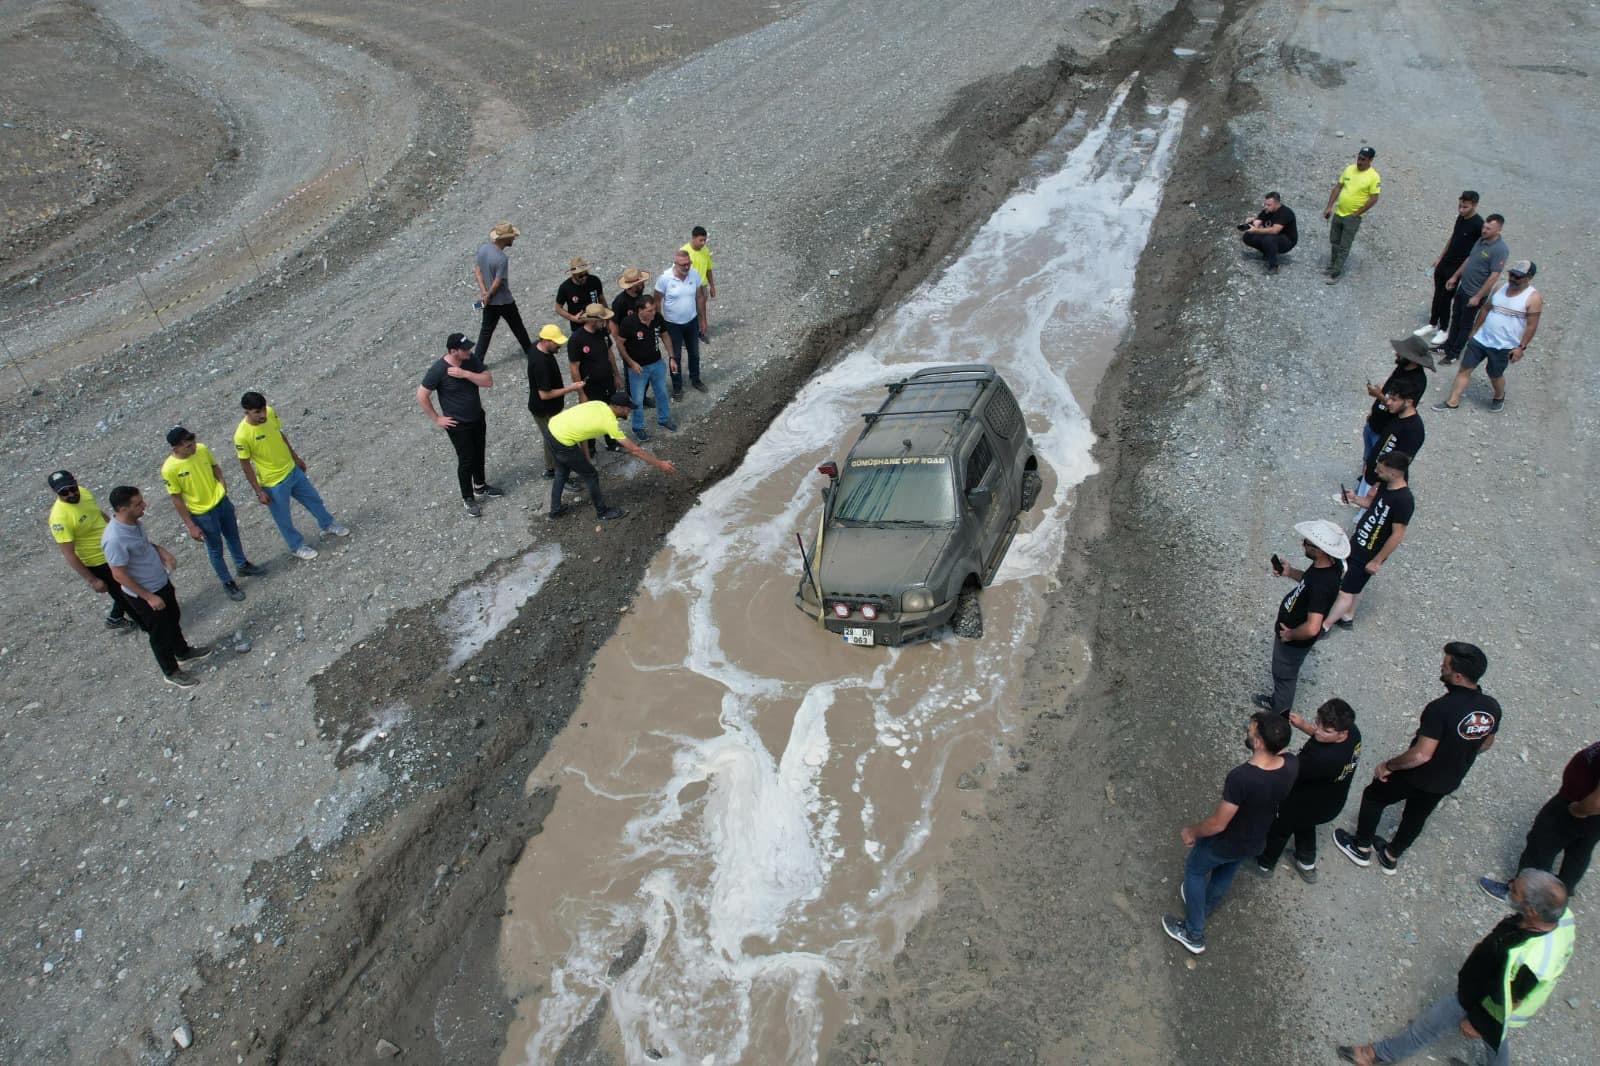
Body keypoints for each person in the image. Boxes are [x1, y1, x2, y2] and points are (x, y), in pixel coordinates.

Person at [1337, 870, 1574, 1066]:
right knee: (1496, 1042)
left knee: (1431, 1025)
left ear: (1532, 910)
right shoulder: (1560, 916)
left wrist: (1478, 1021)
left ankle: (1376, 1054)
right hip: (1490, 988)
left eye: (1515, 891)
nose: (1509, 886)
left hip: (1486, 999)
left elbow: (1509, 1000)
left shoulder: (1533, 961)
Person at [1335, 642, 1500, 874]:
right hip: (1450, 778)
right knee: (1418, 815)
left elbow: (1422, 754)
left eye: (1445, 666)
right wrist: (1460, 752)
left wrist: (1388, 765)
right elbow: (1486, 742)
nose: (1441, 667)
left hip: (1419, 775)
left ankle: (1361, 847)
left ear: (1458, 675)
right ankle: (1391, 855)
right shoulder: (1491, 707)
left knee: (1374, 796)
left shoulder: (1440, 708)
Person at [1161, 712, 1298, 954]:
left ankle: (1193, 933)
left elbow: (1218, 823)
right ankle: (1205, 906)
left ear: (1258, 743)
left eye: (1251, 731)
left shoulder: (1242, 778)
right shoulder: (1291, 764)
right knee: (1226, 872)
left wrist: (1192, 831)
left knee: (1194, 871)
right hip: (1254, 840)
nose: (1247, 731)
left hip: (1225, 841)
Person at [101, 485, 212, 688]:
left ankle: (183, 651)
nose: (144, 506)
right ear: (123, 509)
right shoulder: (114, 539)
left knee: (173, 618)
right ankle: (170, 671)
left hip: (160, 582)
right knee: (159, 632)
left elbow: (143, 545)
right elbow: (118, 574)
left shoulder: (134, 523)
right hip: (145, 594)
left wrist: (160, 550)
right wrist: (148, 597)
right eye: (138, 504)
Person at [1254, 698, 1361, 883]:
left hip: (1302, 802)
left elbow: (1289, 769)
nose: (1318, 731)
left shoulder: (1321, 760)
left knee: (1280, 829)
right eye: (1317, 722)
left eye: (1325, 730)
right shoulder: (1353, 734)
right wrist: (1303, 725)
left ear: (1342, 733)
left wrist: (1274, 749)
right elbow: (1322, 734)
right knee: (1305, 824)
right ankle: (1306, 862)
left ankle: (1265, 864)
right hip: (1330, 802)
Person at [234, 391, 349, 559]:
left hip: (292, 470)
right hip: (273, 483)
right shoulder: (242, 436)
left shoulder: (270, 413)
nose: (263, 414)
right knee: (284, 518)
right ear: (247, 412)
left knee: (314, 499)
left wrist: (296, 457)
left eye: (263, 409)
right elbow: (245, 466)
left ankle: (328, 524)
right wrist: (259, 491)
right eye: (257, 412)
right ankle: (296, 546)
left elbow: (280, 435)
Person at [1479, 741, 1600, 897]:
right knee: (1581, 848)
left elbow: (1597, 803)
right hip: (1593, 819)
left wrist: (1577, 809)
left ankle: (1522, 895)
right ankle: (1564, 887)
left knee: (1542, 845)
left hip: (1580, 808)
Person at [1253, 519, 1348, 718]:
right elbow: (1309, 582)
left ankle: (1278, 714)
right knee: (1283, 673)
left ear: (1321, 550)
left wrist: (1290, 635)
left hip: (1293, 640)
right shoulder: (1326, 567)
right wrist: (1290, 572)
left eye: (1308, 543)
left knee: (1283, 676)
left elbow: (1313, 627)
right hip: (1292, 633)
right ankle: (1278, 703)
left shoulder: (1324, 583)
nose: (1303, 544)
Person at [161, 426, 266, 602]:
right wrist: (191, 525)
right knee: (215, 548)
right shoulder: (169, 469)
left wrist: (222, 484)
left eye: (193, 443)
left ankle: (242, 564)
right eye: (188, 446)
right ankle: (227, 582)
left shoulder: (201, 449)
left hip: (221, 503)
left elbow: (215, 467)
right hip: (202, 513)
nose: (193, 447)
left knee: (233, 536)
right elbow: (177, 499)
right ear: (175, 448)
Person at [546, 392, 678, 522]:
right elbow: (635, 450)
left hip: (552, 429)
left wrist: (585, 457)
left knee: (562, 471)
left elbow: (583, 430)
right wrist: (660, 464)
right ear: (618, 407)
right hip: (562, 441)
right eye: (627, 409)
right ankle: (602, 513)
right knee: (591, 475)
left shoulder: (599, 404)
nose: (629, 412)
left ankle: (555, 511)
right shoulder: (609, 423)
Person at [1435, 261, 1541, 414]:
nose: (1513, 278)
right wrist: (1474, 331)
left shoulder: (1533, 298)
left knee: (1494, 374)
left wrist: (1520, 347)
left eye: (1518, 276)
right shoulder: (1499, 288)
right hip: (1482, 338)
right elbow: (1485, 309)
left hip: (1504, 345)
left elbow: (1532, 325)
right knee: (1464, 369)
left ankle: (1499, 395)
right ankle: (1453, 401)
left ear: (1529, 278)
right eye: (1511, 274)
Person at [416, 332, 499, 517]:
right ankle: (468, 497)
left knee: (479, 451)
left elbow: (488, 381)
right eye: (464, 348)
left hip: (477, 417)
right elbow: (422, 395)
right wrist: (437, 418)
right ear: (453, 351)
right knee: (466, 459)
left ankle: (480, 485)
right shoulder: (438, 369)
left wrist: (465, 374)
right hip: (458, 425)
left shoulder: (470, 360)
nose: (469, 350)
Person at [1327, 450, 1413, 630]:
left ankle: (1325, 626)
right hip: (1359, 541)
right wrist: (1354, 499)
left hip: (1370, 551)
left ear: (1394, 473)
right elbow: (1372, 506)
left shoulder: (1404, 501)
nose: (1376, 472)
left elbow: (1397, 534)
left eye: (1381, 470)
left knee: (1345, 590)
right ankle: (1347, 616)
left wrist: (1377, 560)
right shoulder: (1385, 485)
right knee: (1356, 584)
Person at [46, 470, 140, 632]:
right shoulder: (59, 518)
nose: (70, 494)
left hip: (114, 548)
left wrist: (118, 527)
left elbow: (97, 513)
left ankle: (116, 617)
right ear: (55, 492)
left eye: (72, 488)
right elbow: (69, 553)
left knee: (133, 583)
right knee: (125, 595)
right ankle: (146, 624)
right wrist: (92, 580)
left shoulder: (83, 492)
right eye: (64, 492)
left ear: (76, 482)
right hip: (99, 561)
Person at [1414, 192, 1483, 347]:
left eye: (1465, 207)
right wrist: (1440, 258)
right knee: (1437, 293)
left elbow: (1473, 253)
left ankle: (1444, 329)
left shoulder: (1478, 225)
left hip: (1457, 266)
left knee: (1446, 297)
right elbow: (1453, 237)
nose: (1461, 210)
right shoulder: (1461, 218)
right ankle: (1432, 324)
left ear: (1474, 205)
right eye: (1460, 206)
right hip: (1446, 261)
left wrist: (1457, 274)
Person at [1437, 214, 1508, 364]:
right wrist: (1455, 276)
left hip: (1474, 294)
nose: (1484, 230)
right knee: (1455, 318)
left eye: (1489, 228)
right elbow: (1470, 258)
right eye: (1484, 227)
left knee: (1465, 324)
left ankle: (1454, 353)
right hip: (1463, 288)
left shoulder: (1500, 249)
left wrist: (1478, 296)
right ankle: (1447, 346)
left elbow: (1494, 276)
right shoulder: (1481, 240)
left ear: (1499, 229)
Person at [1357, 337, 1432, 476]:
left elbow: (1400, 408)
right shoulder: (1402, 367)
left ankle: (1366, 485)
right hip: (1375, 423)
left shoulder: (1416, 381)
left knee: (1376, 464)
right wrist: (1374, 412)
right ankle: (1365, 477)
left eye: (1402, 353)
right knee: (1368, 457)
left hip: (1384, 430)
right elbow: (1389, 392)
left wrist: (1378, 396)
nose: (1397, 354)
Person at [618, 295, 679, 440]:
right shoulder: (628, 323)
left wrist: (672, 357)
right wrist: (631, 363)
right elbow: (620, 343)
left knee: (662, 393)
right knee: (637, 400)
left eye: (654, 310)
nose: (653, 313)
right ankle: (638, 427)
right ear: (640, 310)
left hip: (657, 363)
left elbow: (665, 335)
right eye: (649, 311)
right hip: (638, 368)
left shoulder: (657, 318)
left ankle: (663, 419)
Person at [527, 324, 584, 479]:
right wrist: (571, 388)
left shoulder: (536, 348)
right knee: (556, 441)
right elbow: (544, 394)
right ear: (545, 341)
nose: (559, 345)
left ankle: (550, 469)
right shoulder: (541, 363)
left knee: (549, 438)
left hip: (549, 408)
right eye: (556, 342)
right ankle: (560, 474)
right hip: (544, 410)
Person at [1351, 378, 1422, 498]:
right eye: (1389, 397)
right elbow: (1382, 443)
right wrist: (1370, 463)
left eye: (1394, 400)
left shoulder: (1413, 430)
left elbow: (1401, 463)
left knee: (1366, 513)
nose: (1388, 402)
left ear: (1409, 402)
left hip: (1380, 483)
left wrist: (1379, 483)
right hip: (1372, 474)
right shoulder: (1397, 415)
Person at [473, 222, 533, 363]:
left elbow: (477, 271)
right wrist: (489, 294)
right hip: (504, 300)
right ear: (504, 239)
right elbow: (498, 281)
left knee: (486, 331)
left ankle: (477, 361)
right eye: (512, 237)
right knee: (517, 326)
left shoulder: (483, 249)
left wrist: (484, 293)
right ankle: (530, 351)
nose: (513, 239)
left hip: (489, 302)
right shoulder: (501, 258)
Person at [567, 304, 623, 452]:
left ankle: (612, 441)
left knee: (610, 412)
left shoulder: (602, 332)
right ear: (592, 320)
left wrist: (616, 375)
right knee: (590, 417)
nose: (605, 323)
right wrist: (581, 393)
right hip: (591, 387)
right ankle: (590, 447)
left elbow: (609, 353)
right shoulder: (576, 340)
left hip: (607, 382)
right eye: (602, 320)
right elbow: (574, 367)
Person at [1322, 146, 1381, 281]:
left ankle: (1336, 271)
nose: (1359, 162)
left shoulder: (1374, 177)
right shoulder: (1349, 169)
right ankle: (1332, 264)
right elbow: (1338, 187)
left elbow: (1374, 198)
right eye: (1359, 158)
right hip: (1338, 213)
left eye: (1363, 159)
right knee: (1334, 241)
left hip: (1352, 217)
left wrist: (1357, 213)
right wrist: (1329, 206)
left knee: (1344, 245)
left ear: (1370, 160)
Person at [655, 248, 707, 397]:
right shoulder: (665, 278)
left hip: (691, 321)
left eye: (688, 264)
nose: (686, 267)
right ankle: (677, 386)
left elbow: (699, 297)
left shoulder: (694, 274)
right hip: (672, 325)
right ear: (675, 263)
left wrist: (702, 319)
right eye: (683, 264)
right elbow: (657, 300)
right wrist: (659, 324)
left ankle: (695, 379)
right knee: (675, 356)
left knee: (694, 353)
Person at [611, 267, 663, 407]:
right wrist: (619, 342)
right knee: (632, 376)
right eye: (639, 284)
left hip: (644, 341)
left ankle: (642, 397)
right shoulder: (620, 302)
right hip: (629, 345)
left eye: (641, 283)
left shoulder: (641, 298)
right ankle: (633, 401)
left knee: (645, 373)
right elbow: (613, 324)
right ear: (631, 286)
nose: (642, 285)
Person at [1240, 191, 1298, 274]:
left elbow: (1275, 230)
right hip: (1274, 238)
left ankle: (1273, 265)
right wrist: (1251, 224)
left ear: (1276, 204)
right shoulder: (1267, 211)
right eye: (1265, 204)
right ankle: (1267, 253)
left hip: (1288, 241)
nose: (1265, 207)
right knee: (1248, 236)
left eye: (1268, 205)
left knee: (1269, 239)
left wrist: (1256, 230)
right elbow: (1257, 222)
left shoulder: (1285, 212)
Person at [555, 257, 606, 334]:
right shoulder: (565, 288)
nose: (584, 278)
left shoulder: (594, 280)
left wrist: (607, 318)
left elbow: (601, 299)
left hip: (597, 324)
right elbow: (558, 308)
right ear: (573, 275)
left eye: (586, 274)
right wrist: (573, 318)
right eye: (580, 276)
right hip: (578, 328)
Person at [681, 225, 716, 330]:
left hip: (702, 287)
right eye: (701, 240)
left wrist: (712, 286)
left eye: (705, 240)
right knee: (687, 313)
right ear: (693, 238)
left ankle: (700, 331)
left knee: (700, 311)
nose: (703, 243)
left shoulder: (705, 250)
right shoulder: (684, 252)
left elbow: (708, 269)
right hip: (689, 288)